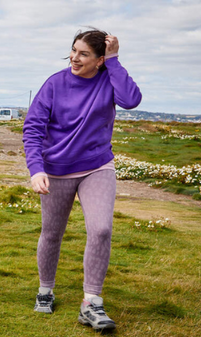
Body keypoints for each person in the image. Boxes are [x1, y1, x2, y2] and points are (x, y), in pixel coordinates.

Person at [22, 29, 141, 331]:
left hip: (97, 166)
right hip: (56, 169)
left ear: (100, 60)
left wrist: (115, 61)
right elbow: (33, 128)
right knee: (52, 233)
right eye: (74, 51)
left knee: (101, 230)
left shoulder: (109, 77)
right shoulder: (55, 83)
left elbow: (131, 100)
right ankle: (45, 290)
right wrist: (36, 169)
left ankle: (92, 304)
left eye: (84, 53)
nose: (75, 57)